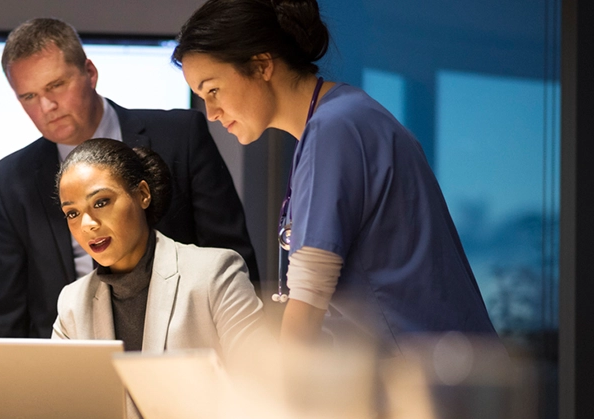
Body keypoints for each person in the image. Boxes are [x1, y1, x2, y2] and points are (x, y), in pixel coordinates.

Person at [173, 0, 497, 349]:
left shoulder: (335, 128)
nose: (211, 113)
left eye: (213, 90)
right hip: (436, 369)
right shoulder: (344, 117)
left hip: (427, 376)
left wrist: (278, 385)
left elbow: (310, 292)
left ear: (261, 65)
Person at [0, 18, 258, 338]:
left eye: (56, 85)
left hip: (188, 344)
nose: (47, 106)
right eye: (28, 96)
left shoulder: (181, 137)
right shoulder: (11, 178)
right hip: (69, 358)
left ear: (90, 72)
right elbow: (5, 309)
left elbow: (233, 258)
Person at [53, 139, 264, 419]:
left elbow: (262, 395)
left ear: (142, 194)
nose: (87, 225)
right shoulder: (72, 302)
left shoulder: (215, 273)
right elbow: (62, 412)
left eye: (101, 202)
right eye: (72, 213)